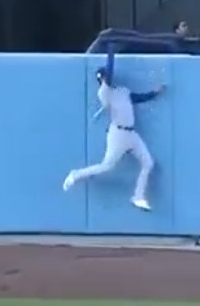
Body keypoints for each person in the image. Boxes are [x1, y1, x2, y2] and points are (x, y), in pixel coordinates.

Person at [63, 49, 166, 211]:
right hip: (117, 134)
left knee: (148, 163)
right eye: (104, 77)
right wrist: (111, 48)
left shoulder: (122, 91)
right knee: (107, 166)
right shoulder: (104, 93)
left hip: (131, 133)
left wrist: (155, 93)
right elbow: (109, 71)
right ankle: (76, 174)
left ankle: (138, 196)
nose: (107, 78)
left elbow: (138, 98)